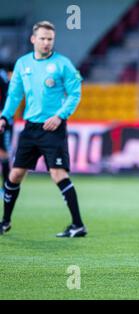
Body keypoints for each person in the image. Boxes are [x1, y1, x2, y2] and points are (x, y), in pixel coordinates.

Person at [0, 21, 87, 237]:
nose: (47, 43)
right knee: (15, 174)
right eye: (43, 38)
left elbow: (75, 93)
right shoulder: (22, 64)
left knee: (58, 174)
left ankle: (78, 225)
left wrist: (60, 116)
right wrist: (5, 116)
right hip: (30, 128)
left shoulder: (63, 64)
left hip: (53, 129)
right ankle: (5, 222)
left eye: (50, 39)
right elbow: (14, 94)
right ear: (33, 39)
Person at [0, 67, 12, 197]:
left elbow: (9, 96)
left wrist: (3, 114)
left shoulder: (2, 76)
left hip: (3, 120)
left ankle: (6, 188)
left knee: (4, 153)